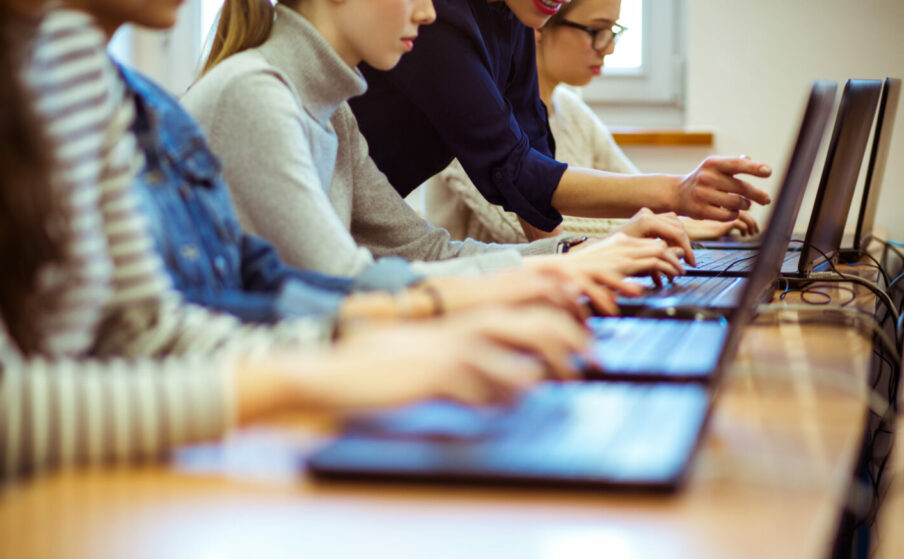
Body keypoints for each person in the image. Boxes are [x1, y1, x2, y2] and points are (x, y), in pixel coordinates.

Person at [0, 0, 589, 479]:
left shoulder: (80, 72)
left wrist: (555, 264)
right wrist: (333, 362)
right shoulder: (249, 93)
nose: (432, 13)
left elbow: (151, 330)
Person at [184, 0, 693, 314]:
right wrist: (556, 274)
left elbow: (426, 253)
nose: (429, 12)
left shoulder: (333, 112)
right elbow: (347, 291)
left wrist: (574, 255)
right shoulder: (255, 95)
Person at [349, 0, 773, 242]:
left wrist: (567, 270)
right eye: (597, 30)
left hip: (364, 227)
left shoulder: (512, 21)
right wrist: (675, 194)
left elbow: (534, 175)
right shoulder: (441, 17)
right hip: (336, 230)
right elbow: (515, 169)